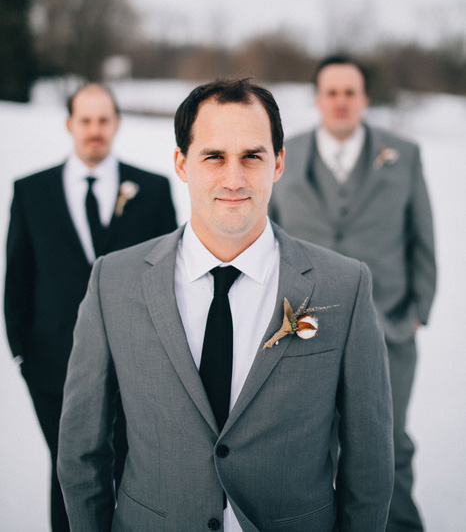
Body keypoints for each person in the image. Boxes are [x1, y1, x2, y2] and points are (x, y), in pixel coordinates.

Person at [58, 77, 393, 532]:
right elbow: (82, 452)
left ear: (277, 163)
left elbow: (369, 460)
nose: (233, 179)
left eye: (252, 156)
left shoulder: (344, 286)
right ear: (182, 163)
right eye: (214, 156)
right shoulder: (113, 281)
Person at [270, 55, 436, 531]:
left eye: (351, 92)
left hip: (389, 327)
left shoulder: (402, 153)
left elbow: (422, 235)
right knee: (310, 444)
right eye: (332, 92)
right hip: (302, 328)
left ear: (364, 98)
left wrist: (418, 310)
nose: (341, 101)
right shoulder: (285, 152)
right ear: (318, 97)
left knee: (386, 443)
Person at [4, 83, 177, 532]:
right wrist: (24, 355)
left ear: (117, 123)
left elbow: (170, 277)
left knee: (131, 468)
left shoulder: (154, 190)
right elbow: (17, 281)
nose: (95, 130)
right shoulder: (31, 192)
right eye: (85, 120)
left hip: (135, 365)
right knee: (69, 469)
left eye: (103, 120)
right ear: (69, 125)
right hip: (51, 366)